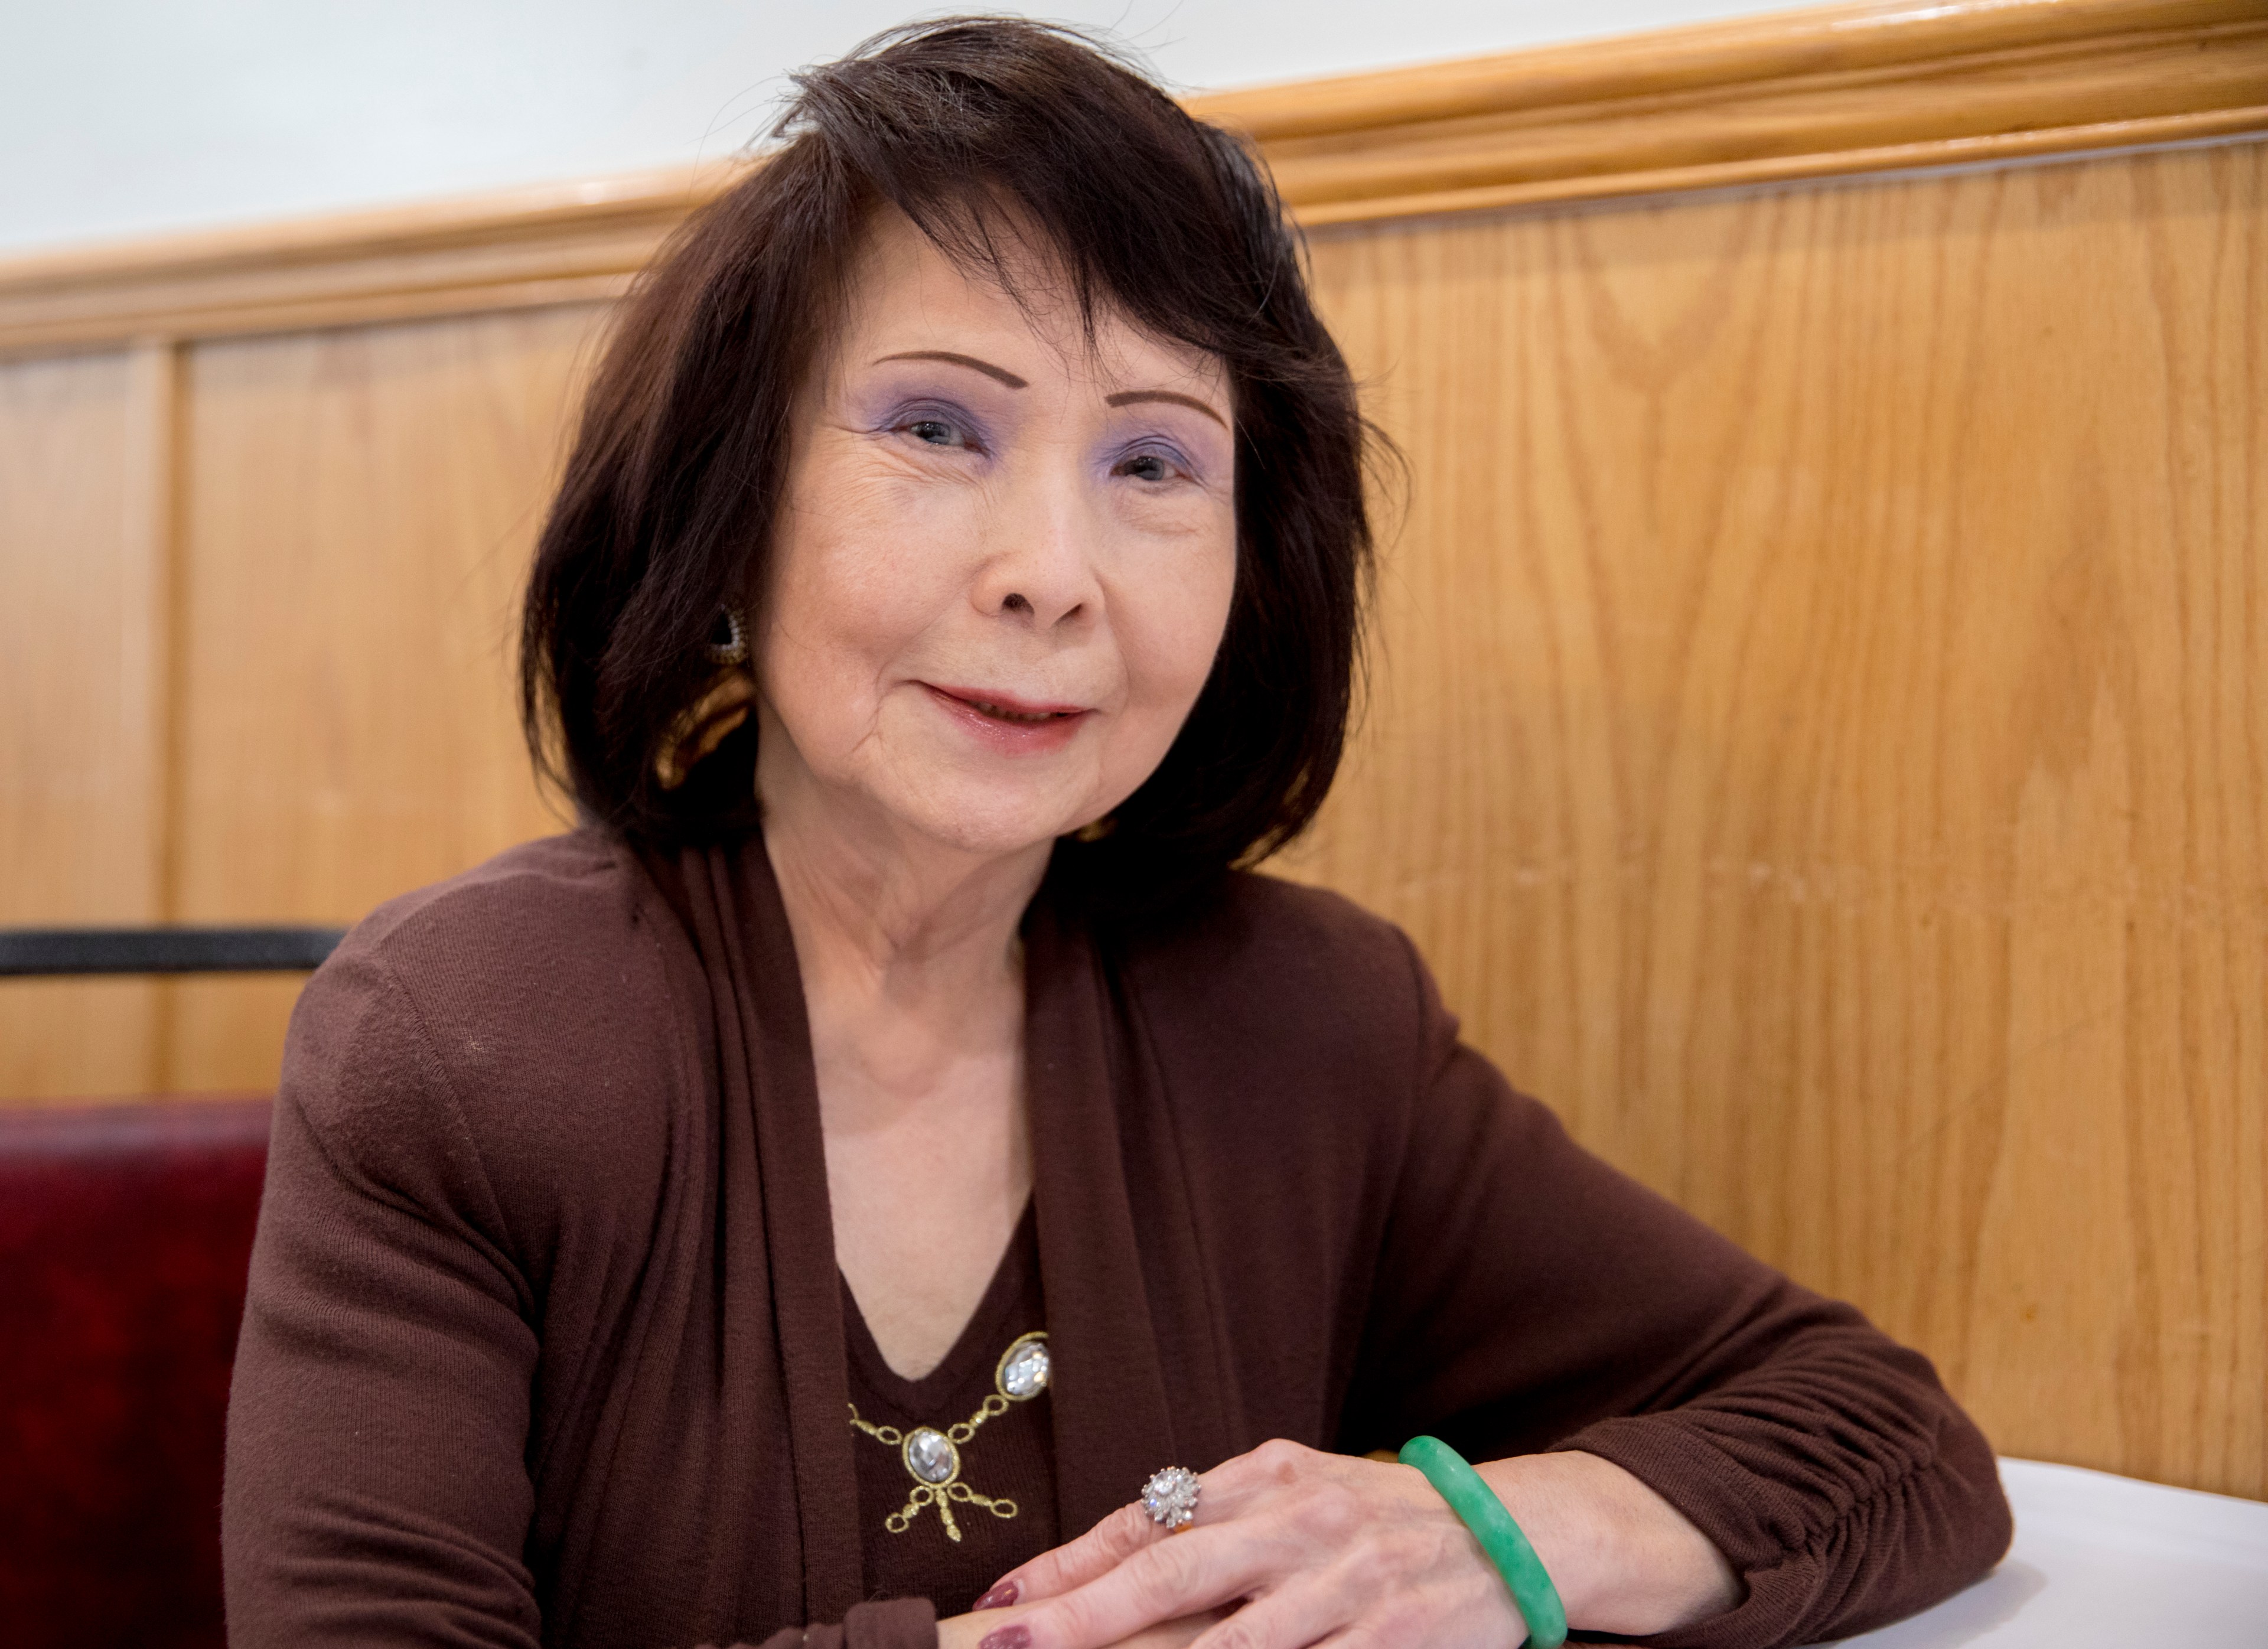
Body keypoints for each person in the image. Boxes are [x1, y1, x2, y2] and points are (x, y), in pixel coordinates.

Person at [221, 18, 2012, 1649]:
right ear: (726, 505)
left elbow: (1887, 1442)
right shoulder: (463, 1039)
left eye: (1154, 466)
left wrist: (1487, 1535)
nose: (1053, 578)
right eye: (935, 427)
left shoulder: (1312, 1022)